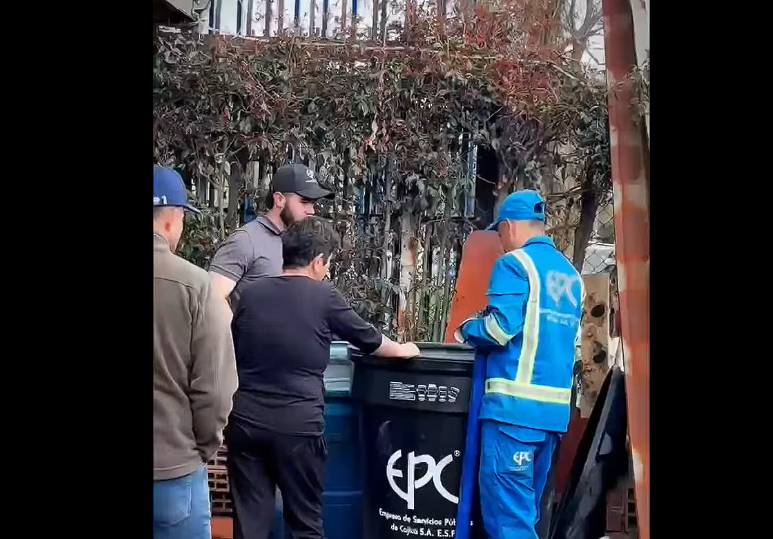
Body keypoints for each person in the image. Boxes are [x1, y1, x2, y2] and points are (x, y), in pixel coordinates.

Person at [226, 216, 420, 539]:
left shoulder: (250, 295)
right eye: (328, 263)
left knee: (249, 528)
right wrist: (402, 349)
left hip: (247, 424)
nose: (328, 271)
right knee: (305, 524)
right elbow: (368, 339)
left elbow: (234, 348)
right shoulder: (323, 296)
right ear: (317, 262)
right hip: (298, 429)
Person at [454, 190, 584, 539]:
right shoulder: (571, 276)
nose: (500, 241)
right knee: (526, 517)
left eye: (499, 233)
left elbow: (499, 329)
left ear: (509, 226)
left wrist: (467, 329)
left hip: (513, 417)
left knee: (509, 524)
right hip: (552, 420)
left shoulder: (515, 265)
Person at [153, 166, 239, 539]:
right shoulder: (196, 287)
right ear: (173, 219)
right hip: (172, 472)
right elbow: (216, 391)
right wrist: (199, 450)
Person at [208, 163, 333, 310]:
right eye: (304, 202)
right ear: (279, 199)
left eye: (313, 203)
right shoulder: (246, 240)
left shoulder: (305, 242)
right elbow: (212, 299)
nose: (311, 210)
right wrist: (239, 332)